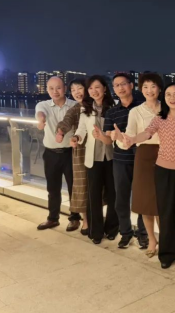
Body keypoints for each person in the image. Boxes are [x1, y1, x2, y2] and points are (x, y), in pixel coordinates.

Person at [122, 83, 175, 269]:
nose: (172, 98)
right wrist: (132, 139)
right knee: (166, 212)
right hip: (164, 171)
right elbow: (146, 134)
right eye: (168, 94)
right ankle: (166, 253)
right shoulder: (159, 119)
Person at [113, 73, 163, 258]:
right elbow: (130, 137)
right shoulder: (136, 111)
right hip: (144, 156)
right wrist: (121, 139)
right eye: (145, 87)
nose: (149, 90)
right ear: (141, 89)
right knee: (146, 202)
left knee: (162, 202)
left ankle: (165, 238)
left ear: (159, 88)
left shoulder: (168, 107)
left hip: (166, 156)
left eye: (153, 86)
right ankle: (152, 239)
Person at [103, 73, 148, 249]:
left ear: (131, 85)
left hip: (141, 159)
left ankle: (143, 233)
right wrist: (108, 135)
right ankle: (125, 233)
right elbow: (108, 137)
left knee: (142, 198)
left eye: (123, 84)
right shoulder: (111, 112)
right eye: (116, 85)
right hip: (120, 160)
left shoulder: (143, 107)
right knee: (121, 199)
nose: (120, 88)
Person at [72, 75, 118, 245]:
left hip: (112, 157)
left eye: (97, 87)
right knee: (94, 196)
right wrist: (76, 138)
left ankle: (112, 228)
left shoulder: (114, 107)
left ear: (105, 89)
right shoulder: (86, 108)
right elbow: (81, 129)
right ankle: (95, 231)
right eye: (90, 88)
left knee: (113, 195)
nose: (94, 91)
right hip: (93, 158)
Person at [35, 76, 81, 231]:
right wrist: (41, 121)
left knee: (73, 187)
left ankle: (75, 218)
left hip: (71, 153)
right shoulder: (43, 104)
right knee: (53, 188)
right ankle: (53, 218)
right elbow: (40, 114)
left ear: (65, 89)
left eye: (58, 88)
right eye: (51, 88)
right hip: (51, 153)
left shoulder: (74, 105)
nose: (55, 91)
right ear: (47, 90)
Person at [56, 78, 90, 235]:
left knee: (99, 185)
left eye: (80, 88)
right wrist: (60, 132)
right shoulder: (75, 109)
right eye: (73, 90)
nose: (77, 92)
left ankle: (98, 218)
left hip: (99, 148)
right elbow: (66, 121)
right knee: (81, 186)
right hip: (80, 149)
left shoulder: (96, 105)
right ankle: (86, 221)